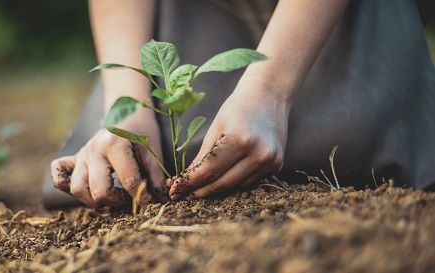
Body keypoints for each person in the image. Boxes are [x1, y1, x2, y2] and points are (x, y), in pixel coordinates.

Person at [42, 0, 435, 209]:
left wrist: (271, 90)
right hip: (178, 17)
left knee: (348, 136)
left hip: (325, 19)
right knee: (120, 159)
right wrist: (128, 106)